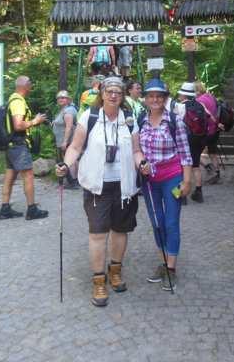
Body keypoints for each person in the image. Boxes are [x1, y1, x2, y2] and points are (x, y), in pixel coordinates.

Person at [56, 76, 145, 307]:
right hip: (98, 185)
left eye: (118, 91)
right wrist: (66, 165)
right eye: (109, 91)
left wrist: (142, 163)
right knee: (97, 233)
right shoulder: (90, 117)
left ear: (123, 95)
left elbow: (136, 151)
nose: (113, 95)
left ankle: (115, 270)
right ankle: (98, 280)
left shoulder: (129, 119)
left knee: (120, 230)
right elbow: (75, 147)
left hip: (124, 185)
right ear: (102, 94)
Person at [138, 78, 192, 292]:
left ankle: (171, 269)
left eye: (159, 96)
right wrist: (141, 162)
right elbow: (136, 148)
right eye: (151, 96)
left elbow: (185, 152)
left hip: (173, 177)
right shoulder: (140, 119)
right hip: (149, 181)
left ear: (165, 98)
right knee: (157, 222)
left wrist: (187, 180)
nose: (155, 99)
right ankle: (163, 261)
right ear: (145, 99)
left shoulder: (175, 120)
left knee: (170, 222)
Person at [0, 76, 48, 220]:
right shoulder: (18, 102)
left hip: (11, 145)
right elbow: (18, 125)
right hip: (18, 145)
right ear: (26, 85)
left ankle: (5, 209)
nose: (31, 85)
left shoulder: (12, 99)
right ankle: (32, 209)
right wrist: (35, 121)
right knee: (28, 176)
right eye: (31, 83)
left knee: (10, 176)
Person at [176, 82, 207, 203]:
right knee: (195, 166)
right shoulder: (200, 105)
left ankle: (181, 195)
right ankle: (198, 193)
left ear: (184, 95)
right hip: (199, 139)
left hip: (185, 140)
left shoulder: (179, 107)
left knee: (181, 167)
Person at [195, 81, 223, 185]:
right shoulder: (211, 97)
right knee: (213, 153)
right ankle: (217, 172)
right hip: (215, 129)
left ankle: (207, 167)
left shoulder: (198, 100)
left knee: (195, 153)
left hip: (205, 131)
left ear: (196, 90)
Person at [52, 90, 79, 189]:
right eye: (59, 98)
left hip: (68, 140)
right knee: (73, 160)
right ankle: (74, 181)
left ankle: (73, 182)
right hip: (66, 140)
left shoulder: (69, 111)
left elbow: (69, 126)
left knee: (69, 159)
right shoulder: (64, 109)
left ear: (68, 99)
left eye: (63, 97)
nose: (60, 99)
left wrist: (65, 141)